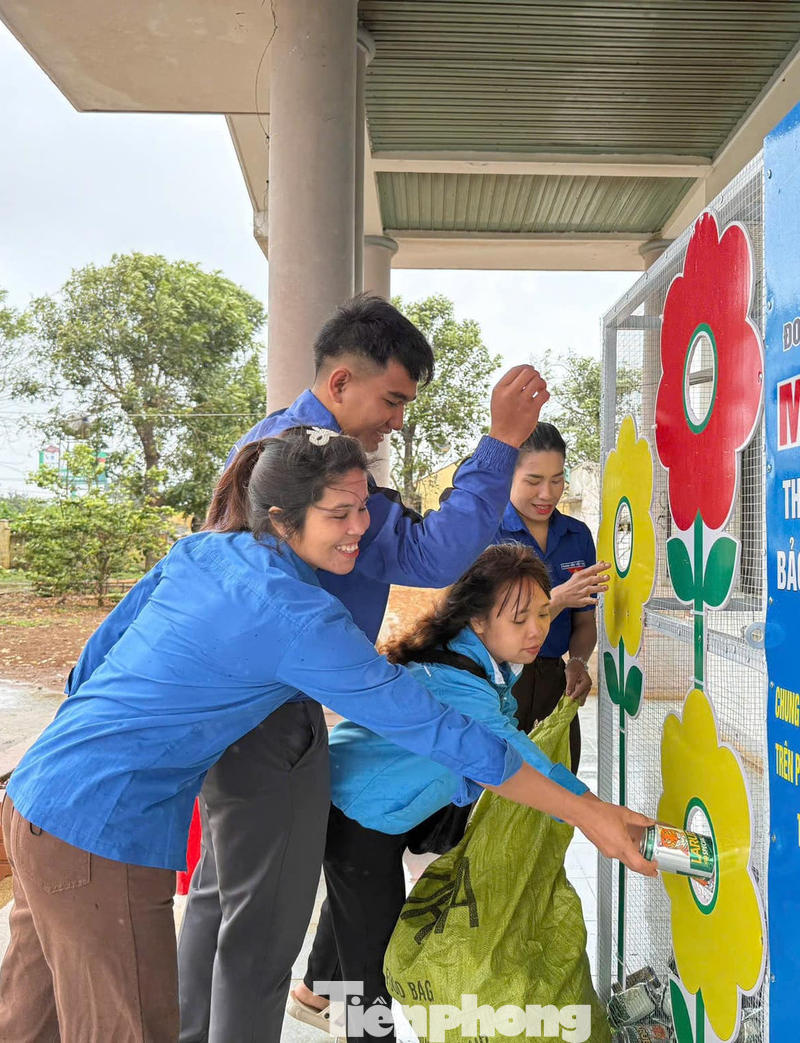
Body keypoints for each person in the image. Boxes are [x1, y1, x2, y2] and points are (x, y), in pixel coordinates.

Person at [0, 428, 655, 1043]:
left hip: (37, 798)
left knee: (27, 1025)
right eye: (340, 513)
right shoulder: (298, 616)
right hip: (103, 833)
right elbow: (442, 730)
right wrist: (587, 811)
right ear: (281, 517)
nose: (361, 527)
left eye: (364, 505)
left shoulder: (205, 550)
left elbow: (89, 666)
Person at [176, 294, 552, 1042]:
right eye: (393, 399)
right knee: (259, 938)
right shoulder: (315, 471)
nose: (398, 420)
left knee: (222, 902)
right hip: (272, 719)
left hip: (235, 715)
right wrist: (498, 446)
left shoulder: (268, 448)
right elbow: (433, 554)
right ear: (341, 382)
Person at [288, 544, 590, 1033]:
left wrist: (546, 604)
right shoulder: (457, 681)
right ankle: (358, 1023)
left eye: (542, 614)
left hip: (364, 802)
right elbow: (523, 761)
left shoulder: (470, 652)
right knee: (373, 959)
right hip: (358, 816)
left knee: (351, 904)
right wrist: (599, 816)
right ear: (476, 621)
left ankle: (313, 993)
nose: (537, 631)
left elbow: (517, 617)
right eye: (520, 620)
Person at [496, 422, 609, 772]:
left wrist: (577, 661)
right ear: (508, 476)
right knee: (495, 788)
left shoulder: (577, 536)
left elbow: (584, 620)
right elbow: (491, 621)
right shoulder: (490, 533)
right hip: (498, 681)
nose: (547, 493)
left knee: (557, 783)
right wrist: (556, 597)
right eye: (533, 481)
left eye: (557, 480)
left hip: (552, 681)